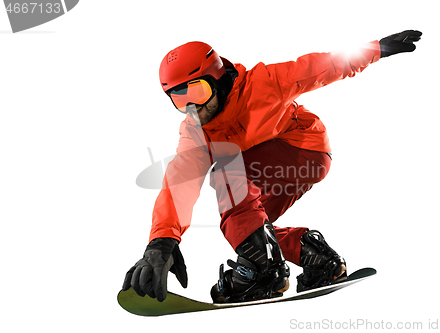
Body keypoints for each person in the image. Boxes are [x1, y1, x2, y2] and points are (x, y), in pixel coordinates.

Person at [122, 30, 422, 303]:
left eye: (197, 92)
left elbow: (322, 66)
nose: (193, 107)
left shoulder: (261, 83)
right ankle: (316, 258)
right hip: (277, 170)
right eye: (179, 98)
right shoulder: (195, 132)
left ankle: (264, 271)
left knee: (227, 175)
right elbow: (180, 181)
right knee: (246, 230)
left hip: (303, 148)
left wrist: (375, 49)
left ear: (217, 78)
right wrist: (160, 243)